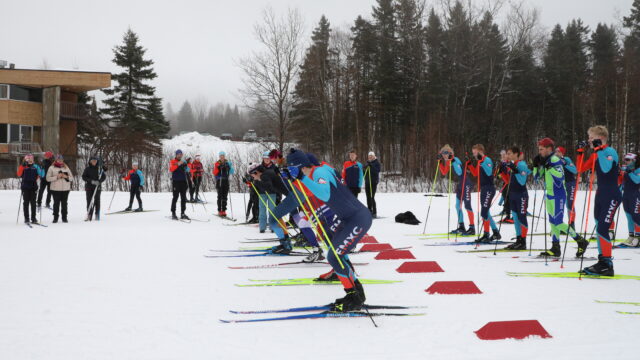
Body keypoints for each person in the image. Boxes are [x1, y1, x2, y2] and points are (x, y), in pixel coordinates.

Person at [286, 149, 372, 312]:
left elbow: (324, 194)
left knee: (334, 256)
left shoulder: (319, 172)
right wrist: (294, 180)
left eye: (292, 169)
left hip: (358, 219)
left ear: (300, 166)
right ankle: (356, 293)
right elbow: (310, 192)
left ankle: (354, 295)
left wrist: (301, 176)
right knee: (336, 250)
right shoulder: (318, 172)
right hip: (348, 219)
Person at [576, 125, 622, 276]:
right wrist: (580, 152)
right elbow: (581, 168)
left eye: (591, 137)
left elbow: (607, 167)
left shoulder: (609, 152)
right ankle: (602, 260)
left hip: (612, 195)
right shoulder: (597, 153)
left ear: (600, 138)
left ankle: (607, 264)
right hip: (601, 194)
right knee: (598, 227)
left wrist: (599, 150)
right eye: (588, 137)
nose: (588, 140)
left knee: (603, 228)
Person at [533, 138, 588, 257]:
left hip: (559, 195)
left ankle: (581, 241)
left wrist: (550, 167)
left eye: (542, 149)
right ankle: (555, 247)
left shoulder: (554, 159)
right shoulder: (546, 160)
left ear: (549, 149)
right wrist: (536, 166)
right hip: (550, 195)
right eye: (539, 149)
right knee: (552, 222)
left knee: (558, 222)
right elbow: (537, 177)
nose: (540, 151)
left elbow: (560, 176)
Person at [438, 145, 475, 235]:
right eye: (443, 153)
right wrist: (439, 162)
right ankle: (461, 226)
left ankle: (472, 228)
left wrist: (453, 161)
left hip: (466, 183)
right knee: (457, 206)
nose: (444, 155)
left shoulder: (456, 159)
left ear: (451, 153)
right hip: (460, 184)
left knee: (467, 205)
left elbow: (459, 172)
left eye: (446, 153)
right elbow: (443, 172)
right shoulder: (447, 161)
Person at [469, 144, 501, 242]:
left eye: (475, 153)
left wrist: (482, 162)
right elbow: (475, 173)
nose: (474, 155)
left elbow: (489, 173)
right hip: (483, 189)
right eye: (473, 153)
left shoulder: (487, 160)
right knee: (485, 212)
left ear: (480, 151)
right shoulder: (479, 161)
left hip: (489, 188)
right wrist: (470, 164)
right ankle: (495, 233)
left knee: (484, 212)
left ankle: (486, 234)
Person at [503, 147, 531, 250]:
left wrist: (515, 170)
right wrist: (502, 173)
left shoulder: (521, 164)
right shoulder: (513, 164)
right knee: (515, 217)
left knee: (522, 217)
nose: (508, 155)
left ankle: (523, 242)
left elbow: (522, 181)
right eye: (507, 153)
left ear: (516, 154)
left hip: (521, 194)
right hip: (513, 194)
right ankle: (518, 240)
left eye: (510, 153)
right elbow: (508, 181)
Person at [249, 163, 282, 233]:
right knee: (262, 210)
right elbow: (256, 186)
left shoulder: (267, 173)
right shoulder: (257, 175)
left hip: (272, 193)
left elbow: (270, 184)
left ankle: (273, 226)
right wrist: (252, 187)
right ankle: (262, 227)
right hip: (262, 193)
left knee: (272, 209)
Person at [556, 146, 579, 229]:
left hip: (570, 184)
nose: (557, 153)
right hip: (560, 185)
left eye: (559, 151)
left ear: (562, 153)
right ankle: (561, 225)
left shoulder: (566, 159)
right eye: (556, 151)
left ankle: (571, 225)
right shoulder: (554, 161)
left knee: (570, 204)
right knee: (560, 204)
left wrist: (565, 164)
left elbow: (575, 170)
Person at [620, 153, 640, 247]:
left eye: (628, 160)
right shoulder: (626, 170)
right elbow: (622, 182)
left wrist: (630, 172)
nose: (626, 161)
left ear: (634, 160)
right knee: (629, 216)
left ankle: (638, 237)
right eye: (625, 160)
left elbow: (637, 180)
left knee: (636, 216)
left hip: (635, 195)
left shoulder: (638, 170)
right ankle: (631, 236)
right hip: (626, 194)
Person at [17, 154, 44, 224]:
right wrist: (22, 166)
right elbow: (19, 174)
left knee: (33, 203)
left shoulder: (35, 166)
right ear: (25, 160)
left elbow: (42, 175)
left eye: (31, 159)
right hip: (25, 187)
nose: (29, 160)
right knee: (26, 203)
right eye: (28, 159)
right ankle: (26, 218)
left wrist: (42, 168)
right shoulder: (23, 166)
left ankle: (33, 218)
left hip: (33, 187)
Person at [46, 154, 73, 223]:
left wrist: (66, 177)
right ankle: (55, 218)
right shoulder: (51, 168)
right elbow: (48, 178)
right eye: (59, 160)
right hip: (55, 189)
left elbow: (72, 178)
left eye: (61, 160)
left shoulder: (66, 167)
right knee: (56, 204)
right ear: (56, 160)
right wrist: (57, 177)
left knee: (64, 204)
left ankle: (64, 217)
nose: (60, 161)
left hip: (65, 189)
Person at [82, 155, 107, 221]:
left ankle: (97, 214)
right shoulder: (87, 169)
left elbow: (104, 177)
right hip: (89, 187)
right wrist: (91, 181)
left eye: (95, 161)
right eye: (92, 161)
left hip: (97, 187)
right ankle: (89, 214)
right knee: (89, 200)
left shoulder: (99, 169)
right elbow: (84, 177)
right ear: (90, 161)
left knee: (97, 200)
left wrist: (99, 181)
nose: (94, 162)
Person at [169, 149, 190, 220]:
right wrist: (178, 164)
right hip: (176, 182)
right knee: (175, 197)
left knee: (183, 198)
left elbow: (188, 170)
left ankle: (183, 213)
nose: (179, 155)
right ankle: (173, 213)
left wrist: (186, 165)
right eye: (178, 154)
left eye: (181, 154)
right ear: (176, 155)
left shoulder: (183, 161)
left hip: (183, 181)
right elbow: (171, 169)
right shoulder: (173, 161)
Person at [213, 151, 234, 217]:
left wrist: (230, 169)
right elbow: (215, 173)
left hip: (226, 180)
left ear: (224, 156)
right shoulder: (217, 163)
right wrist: (219, 167)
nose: (222, 157)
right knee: (220, 196)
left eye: (223, 155)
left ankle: (224, 210)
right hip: (220, 180)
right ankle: (220, 210)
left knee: (225, 196)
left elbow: (232, 171)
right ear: (219, 156)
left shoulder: (227, 163)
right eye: (221, 156)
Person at [497, 150, 512, 223]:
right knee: (505, 197)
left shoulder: (509, 163)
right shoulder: (502, 163)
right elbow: (498, 175)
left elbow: (508, 173)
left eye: (504, 155)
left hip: (510, 183)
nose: (502, 156)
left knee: (508, 198)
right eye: (501, 155)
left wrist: (501, 173)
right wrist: (499, 174)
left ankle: (509, 215)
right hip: (505, 183)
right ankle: (507, 213)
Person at [364, 151, 381, 218]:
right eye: (369, 156)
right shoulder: (367, 163)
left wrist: (372, 166)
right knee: (368, 197)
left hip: (373, 182)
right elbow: (364, 172)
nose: (370, 157)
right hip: (367, 182)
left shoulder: (376, 163)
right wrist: (365, 167)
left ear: (374, 156)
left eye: (371, 156)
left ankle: (374, 212)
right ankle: (369, 210)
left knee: (372, 197)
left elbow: (377, 170)